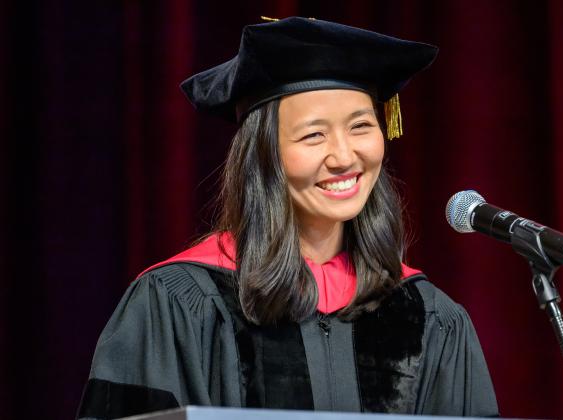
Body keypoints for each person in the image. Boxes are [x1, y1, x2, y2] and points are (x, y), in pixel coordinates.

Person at [77, 17, 499, 419]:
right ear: (263, 156)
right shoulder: (177, 305)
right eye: (313, 134)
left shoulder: (428, 316)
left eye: (360, 126)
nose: (344, 156)